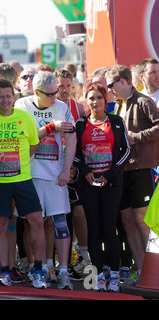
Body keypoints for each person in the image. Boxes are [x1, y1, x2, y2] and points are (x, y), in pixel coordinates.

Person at [0, 79, 46, 288]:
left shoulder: (25, 118)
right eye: (1, 96)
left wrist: (20, 164)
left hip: (23, 180)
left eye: (9, 96)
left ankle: (39, 269)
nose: (5, 100)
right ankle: (4, 271)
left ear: (13, 98)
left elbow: (33, 145)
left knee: (37, 221)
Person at [15, 71, 76, 290]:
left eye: (56, 92)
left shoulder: (61, 107)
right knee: (34, 223)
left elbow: (72, 137)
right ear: (35, 91)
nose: (54, 97)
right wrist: (51, 127)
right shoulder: (22, 105)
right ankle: (36, 268)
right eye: (49, 94)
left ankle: (62, 272)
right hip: (29, 174)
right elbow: (25, 136)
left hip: (54, 175)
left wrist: (66, 170)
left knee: (60, 224)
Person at [73, 82, 130, 292]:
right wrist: (85, 169)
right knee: (93, 229)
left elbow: (126, 152)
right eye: (91, 98)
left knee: (109, 227)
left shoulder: (116, 121)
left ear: (105, 100)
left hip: (111, 183)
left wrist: (108, 173)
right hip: (88, 184)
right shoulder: (80, 124)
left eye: (99, 98)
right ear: (86, 102)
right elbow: (75, 154)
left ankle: (114, 274)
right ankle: (98, 275)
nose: (95, 102)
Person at [106, 64, 159, 284]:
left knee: (142, 221)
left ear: (123, 82)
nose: (109, 89)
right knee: (127, 221)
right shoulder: (119, 105)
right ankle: (142, 270)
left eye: (111, 85)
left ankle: (154, 270)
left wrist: (137, 137)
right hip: (123, 170)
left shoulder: (144, 101)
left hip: (141, 169)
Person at [54, 68, 91, 275]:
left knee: (78, 211)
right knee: (57, 215)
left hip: (74, 166)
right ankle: (57, 261)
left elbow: (83, 140)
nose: (65, 90)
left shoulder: (78, 107)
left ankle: (83, 254)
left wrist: (76, 166)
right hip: (51, 165)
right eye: (61, 86)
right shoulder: (50, 106)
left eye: (69, 86)